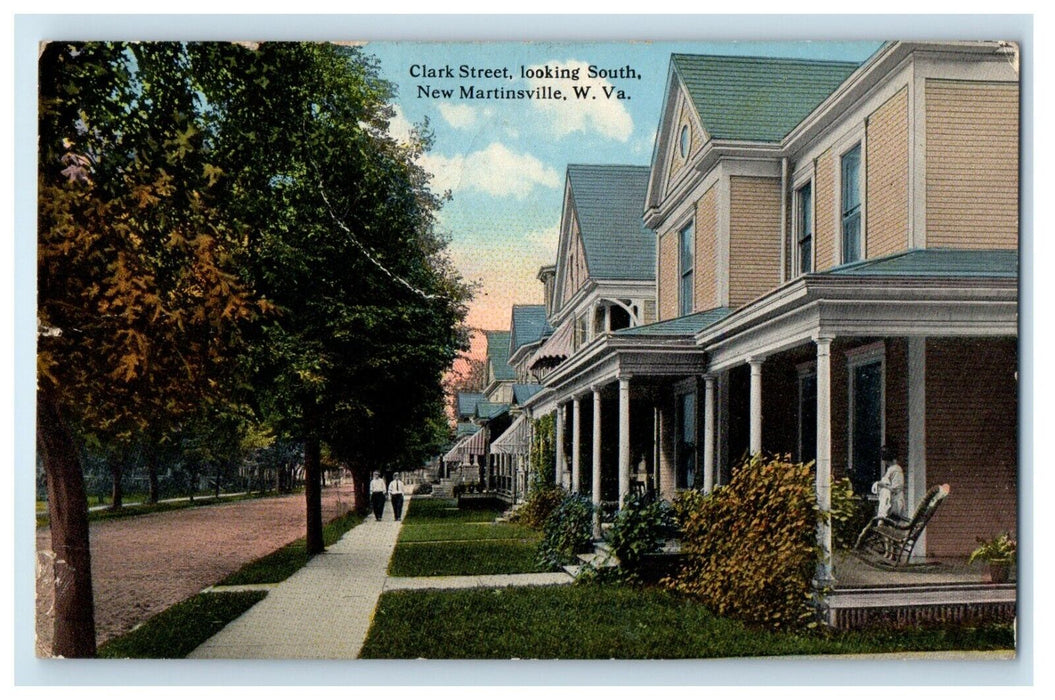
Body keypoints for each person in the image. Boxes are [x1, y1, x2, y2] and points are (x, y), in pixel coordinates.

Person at [872, 445, 906, 520]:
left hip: (894, 503)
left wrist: (883, 485)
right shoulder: (890, 469)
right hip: (889, 502)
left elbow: (896, 489)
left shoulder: (896, 469)